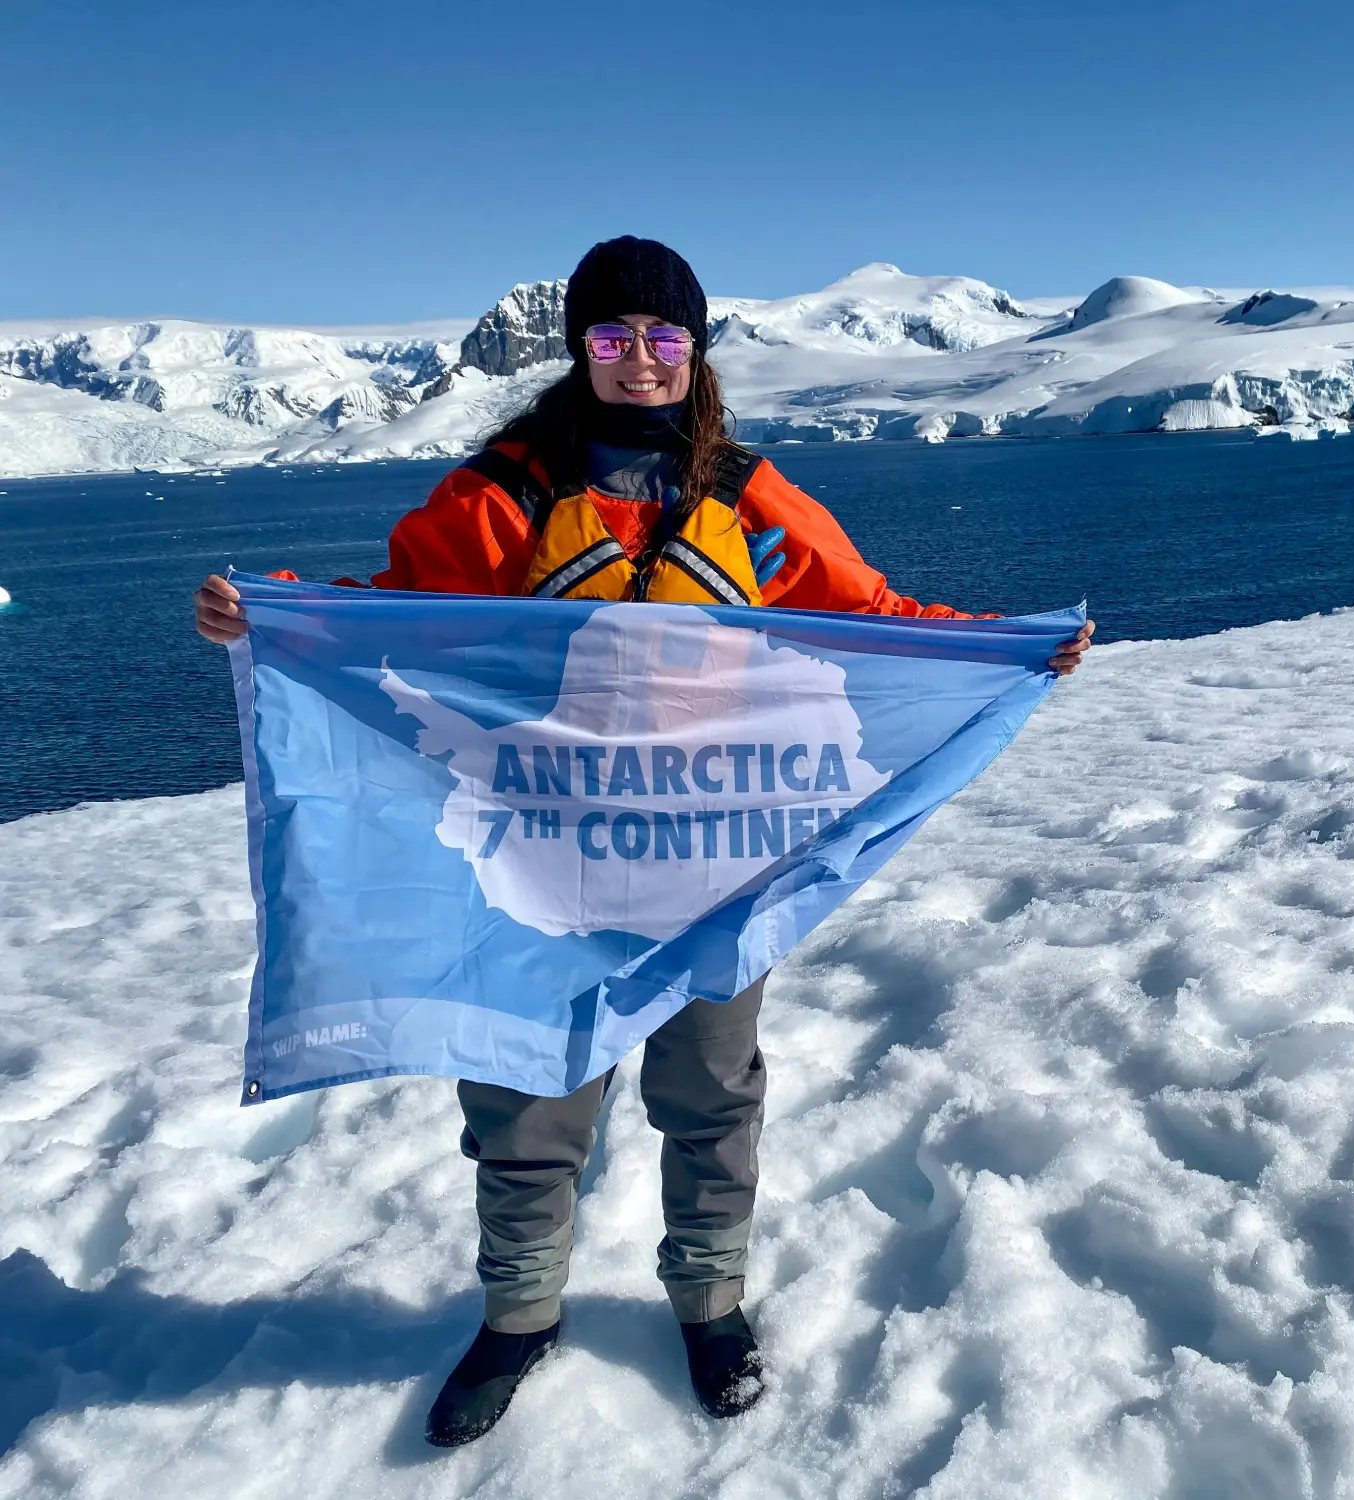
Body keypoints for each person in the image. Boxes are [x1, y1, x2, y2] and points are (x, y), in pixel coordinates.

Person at [194, 236, 1092, 1447]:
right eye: (611, 338)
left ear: (695, 350)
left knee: (710, 1092)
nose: (638, 362)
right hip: (540, 859)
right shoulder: (497, 499)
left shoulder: (745, 496)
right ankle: (518, 1316)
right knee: (525, 1104)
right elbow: (392, 614)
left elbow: (869, 614)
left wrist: (998, 644)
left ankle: (709, 1301)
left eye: (663, 338)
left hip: (713, 859)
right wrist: (276, 612)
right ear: (578, 348)